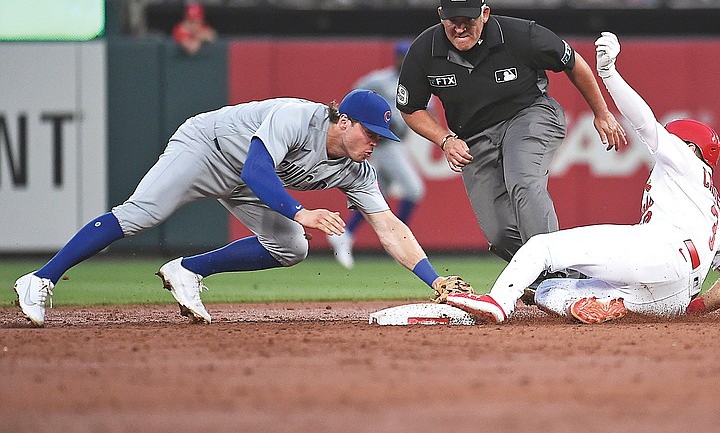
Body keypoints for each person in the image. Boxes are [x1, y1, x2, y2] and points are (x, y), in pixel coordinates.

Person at [13, 90, 472, 327]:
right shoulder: (297, 117)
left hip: (253, 181)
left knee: (292, 248)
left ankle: (188, 271)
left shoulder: (357, 170)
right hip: (207, 149)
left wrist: (435, 281)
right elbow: (256, 171)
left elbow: (389, 226)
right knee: (141, 214)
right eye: (370, 134)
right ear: (345, 120)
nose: (375, 144)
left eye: (380, 139)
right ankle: (39, 279)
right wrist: (301, 213)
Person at [446, 32, 720, 324]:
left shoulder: (685, 163)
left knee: (541, 248)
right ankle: (593, 305)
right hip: (670, 298)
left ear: (690, 147)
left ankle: (498, 302)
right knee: (547, 289)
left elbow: (645, 124)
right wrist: (690, 309)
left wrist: (609, 73)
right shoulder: (710, 207)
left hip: (660, 252)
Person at [396, 0, 627, 290]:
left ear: (485, 13)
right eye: (452, 20)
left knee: (523, 181)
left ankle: (558, 280)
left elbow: (574, 63)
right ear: (441, 16)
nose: (460, 27)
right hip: (474, 137)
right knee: (499, 234)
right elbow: (410, 108)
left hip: (530, 114)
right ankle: (555, 280)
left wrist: (601, 113)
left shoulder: (521, 34)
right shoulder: (425, 51)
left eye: (468, 19)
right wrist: (444, 139)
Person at [327, 41, 426, 268]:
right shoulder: (380, 79)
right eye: (401, 56)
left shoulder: (421, 83)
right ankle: (399, 240)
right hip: (382, 144)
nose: (403, 60)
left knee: (375, 196)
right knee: (413, 189)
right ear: (395, 57)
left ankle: (345, 234)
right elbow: (355, 95)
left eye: (407, 56)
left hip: (397, 141)